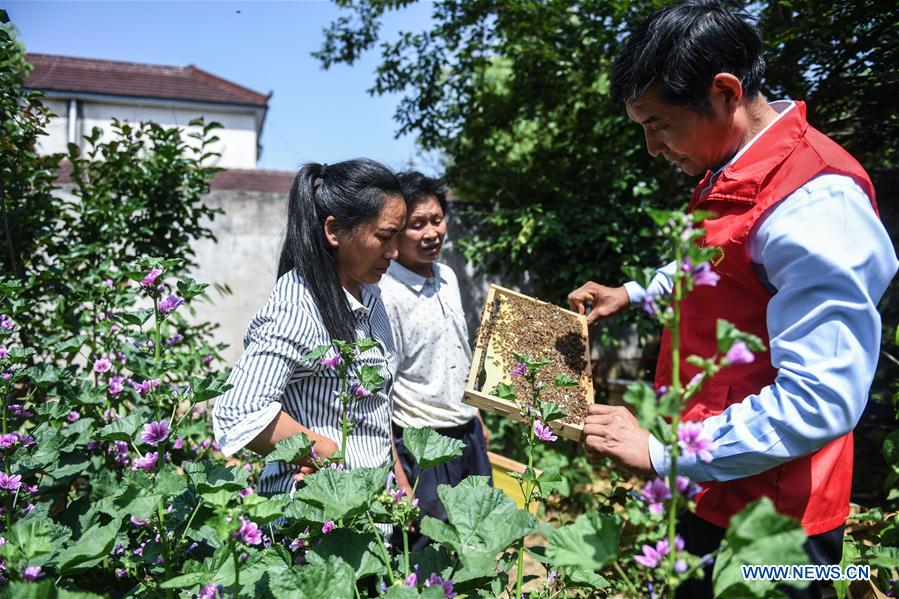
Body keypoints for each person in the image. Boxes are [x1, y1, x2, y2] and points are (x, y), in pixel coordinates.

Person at [567, 2, 898, 597]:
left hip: (775, 526)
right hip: (712, 488)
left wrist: (662, 450)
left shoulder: (817, 204)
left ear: (724, 92)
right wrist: (636, 292)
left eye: (658, 123)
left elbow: (820, 401)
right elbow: (722, 258)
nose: (651, 147)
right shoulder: (740, 171)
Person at [212, 158, 413, 500]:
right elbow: (239, 410)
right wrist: (321, 450)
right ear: (334, 231)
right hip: (316, 524)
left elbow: (373, 409)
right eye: (384, 236)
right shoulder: (297, 308)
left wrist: (397, 479)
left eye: (398, 236)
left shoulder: (370, 296)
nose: (395, 251)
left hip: (365, 518)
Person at [379, 171, 492, 549]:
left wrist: (476, 416)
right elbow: (379, 393)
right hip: (423, 445)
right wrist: (397, 473)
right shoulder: (385, 294)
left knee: (478, 542)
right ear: (396, 231)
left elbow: (458, 352)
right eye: (417, 224)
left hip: (468, 434)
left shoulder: (447, 276)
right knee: (429, 555)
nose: (431, 233)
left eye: (437, 220)